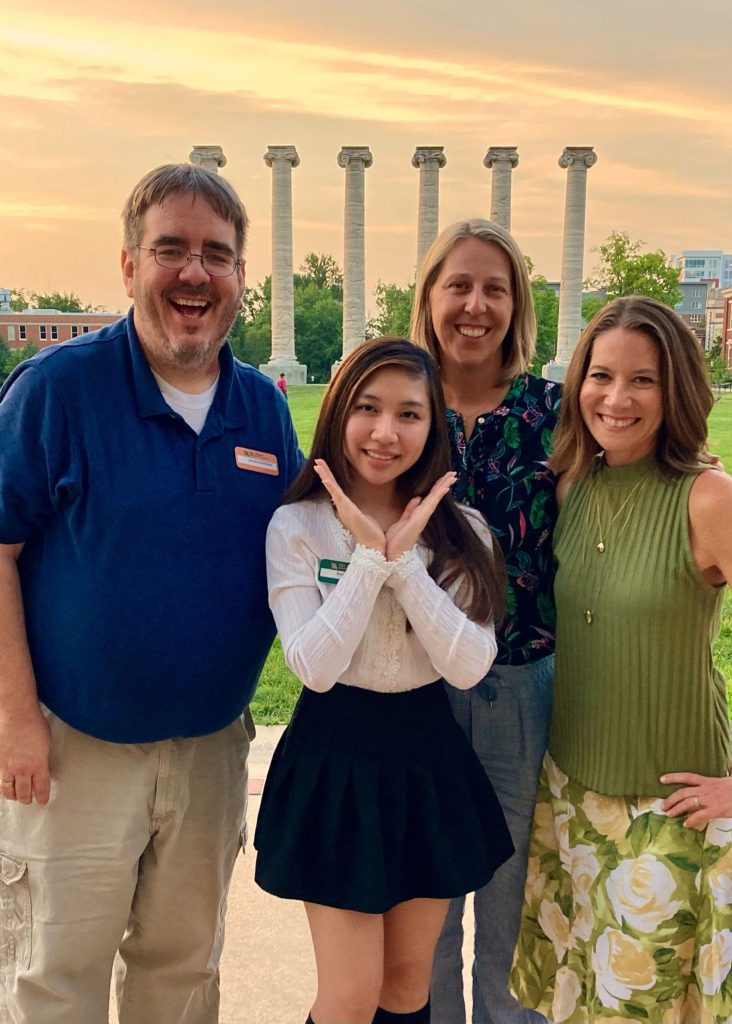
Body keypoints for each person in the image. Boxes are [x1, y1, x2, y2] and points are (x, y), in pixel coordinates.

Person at [0, 163, 301, 1024]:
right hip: (70, 751)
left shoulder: (261, 408)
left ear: (242, 275)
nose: (194, 273)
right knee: (56, 979)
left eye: (218, 254)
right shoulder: (57, 391)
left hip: (211, 752)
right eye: (170, 249)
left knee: (183, 977)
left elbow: (297, 554)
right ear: (130, 265)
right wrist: (16, 719)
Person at [253, 338, 515, 1024]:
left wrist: (408, 565)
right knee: (347, 997)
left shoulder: (465, 534)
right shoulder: (297, 526)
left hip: (427, 755)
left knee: (405, 987)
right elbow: (313, 665)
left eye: (409, 414)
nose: (385, 432)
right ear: (340, 412)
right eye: (368, 408)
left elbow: (468, 664)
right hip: (333, 757)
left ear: (432, 429)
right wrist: (370, 560)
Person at [510, 296, 732, 1023]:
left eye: (644, 379)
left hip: (671, 804)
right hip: (572, 798)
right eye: (601, 375)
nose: (617, 397)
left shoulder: (709, 498)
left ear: (678, 391)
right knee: (578, 1001)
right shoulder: (574, 486)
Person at [411, 220, 560, 1024]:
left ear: (517, 304)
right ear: (429, 297)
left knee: (511, 909)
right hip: (413, 689)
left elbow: (640, 478)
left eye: (494, 288)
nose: (475, 305)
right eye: (458, 286)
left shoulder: (555, 412)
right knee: (424, 917)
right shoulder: (398, 402)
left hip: (519, 688)